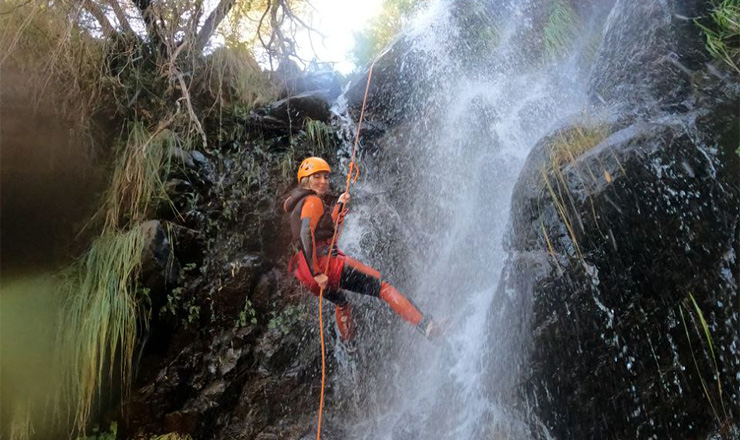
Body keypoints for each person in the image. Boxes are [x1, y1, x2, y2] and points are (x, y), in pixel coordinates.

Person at [284, 157, 440, 342]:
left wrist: (339, 205)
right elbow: (306, 234)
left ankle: (348, 343)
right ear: (306, 180)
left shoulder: (299, 204)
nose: (323, 181)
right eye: (316, 177)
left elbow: (322, 233)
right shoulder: (312, 201)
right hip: (323, 265)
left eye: (326, 177)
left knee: (341, 302)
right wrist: (317, 272)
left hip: (304, 273)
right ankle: (427, 326)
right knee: (383, 287)